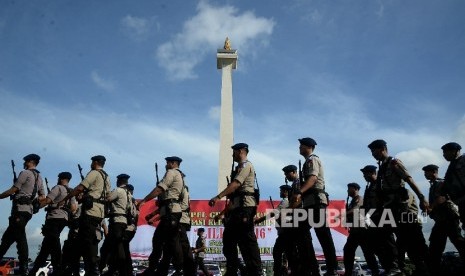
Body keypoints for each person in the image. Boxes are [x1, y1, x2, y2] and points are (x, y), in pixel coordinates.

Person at [368, 139, 429, 275]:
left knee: (410, 239)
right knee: (382, 236)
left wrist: (422, 197)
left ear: (383, 148)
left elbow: (408, 179)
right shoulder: (382, 167)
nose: (373, 154)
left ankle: (422, 267)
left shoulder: (394, 162)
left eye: (374, 150)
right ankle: (395, 266)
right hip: (388, 207)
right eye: (371, 151)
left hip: (401, 206)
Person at [208, 143, 263, 276]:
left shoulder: (246, 165)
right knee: (228, 241)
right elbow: (233, 201)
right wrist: (222, 214)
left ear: (241, 151)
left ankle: (256, 271)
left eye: (234, 152)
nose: (232, 155)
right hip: (237, 209)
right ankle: (233, 270)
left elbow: (236, 184)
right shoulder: (238, 167)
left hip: (245, 208)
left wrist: (218, 196)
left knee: (247, 241)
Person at [59, 155, 111, 276]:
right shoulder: (107, 177)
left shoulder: (93, 173)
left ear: (96, 162)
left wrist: (67, 197)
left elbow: (80, 188)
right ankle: (73, 269)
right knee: (80, 244)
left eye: (92, 162)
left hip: (90, 213)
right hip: (99, 212)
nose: (91, 164)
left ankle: (93, 270)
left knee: (88, 244)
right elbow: (106, 196)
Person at [293, 137, 338, 276]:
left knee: (323, 235)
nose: (299, 147)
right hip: (309, 204)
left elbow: (312, 179)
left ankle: (332, 268)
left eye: (301, 145)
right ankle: (309, 266)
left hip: (316, 203)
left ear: (308, 147)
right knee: (301, 234)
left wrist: (300, 192)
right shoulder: (307, 161)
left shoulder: (313, 160)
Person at [138, 156, 185, 276]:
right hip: (170, 212)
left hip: (171, 212)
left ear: (173, 163)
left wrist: (144, 200)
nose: (166, 165)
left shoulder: (171, 172)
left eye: (168, 162)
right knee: (161, 241)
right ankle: (155, 268)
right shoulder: (180, 175)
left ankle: (179, 268)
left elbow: (160, 189)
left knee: (171, 241)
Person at [0, 153, 45, 276]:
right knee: (7, 239)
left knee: (20, 237)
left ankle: (24, 267)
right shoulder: (39, 177)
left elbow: (13, 190)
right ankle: (23, 266)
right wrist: (34, 201)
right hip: (28, 211)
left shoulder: (25, 173)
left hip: (19, 209)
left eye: (26, 161)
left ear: (30, 161)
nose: (24, 163)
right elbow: (42, 196)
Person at [30, 172, 77, 276]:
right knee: (46, 247)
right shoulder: (71, 191)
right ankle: (34, 271)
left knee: (54, 242)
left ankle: (58, 268)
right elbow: (74, 208)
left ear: (61, 179)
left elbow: (47, 200)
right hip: (64, 219)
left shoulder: (58, 188)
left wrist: (35, 208)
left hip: (54, 217)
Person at [423, 164, 465, 274]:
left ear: (434, 172)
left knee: (457, 240)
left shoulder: (441, 183)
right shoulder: (433, 185)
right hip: (441, 219)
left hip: (449, 217)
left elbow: (442, 198)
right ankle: (435, 269)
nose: (425, 175)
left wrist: (431, 207)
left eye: (427, 172)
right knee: (435, 246)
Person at [284, 164, 319, 276]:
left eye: (288, 173)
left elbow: (298, 201)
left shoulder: (299, 183)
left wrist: (288, 210)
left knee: (306, 244)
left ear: (294, 172)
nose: (286, 175)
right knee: (302, 245)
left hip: (300, 215)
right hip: (296, 216)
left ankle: (313, 270)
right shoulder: (295, 184)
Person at [360, 165, 395, 273]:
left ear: (372, 173)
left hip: (383, 216)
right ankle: (387, 267)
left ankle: (394, 266)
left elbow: (390, 198)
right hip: (372, 219)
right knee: (377, 246)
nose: (364, 176)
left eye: (366, 173)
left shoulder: (381, 183)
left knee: (388, 243)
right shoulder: (369, 187)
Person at [254, 184, 293, 276]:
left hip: (285, 233)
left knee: (277, 252)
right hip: (284, 233)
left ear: (286, 192)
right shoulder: (286, 202)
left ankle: (278, 272)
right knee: (288, 253)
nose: (280, 192)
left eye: (281, 191)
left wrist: (259, 220)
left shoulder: (285, 201)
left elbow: (274, 213)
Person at [342, 182, 379, 276]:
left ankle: (375, 272)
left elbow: (355, 210)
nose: (347, 191)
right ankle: (348, 272)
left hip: (362, 230)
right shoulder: (352, 201)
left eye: (349, 188)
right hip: (355, 230)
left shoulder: (359, 198)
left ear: (355, 189)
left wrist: (343, 214)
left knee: (367, 252)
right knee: (348, 250)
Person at [100, 173, 132, 276]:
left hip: (116, 221)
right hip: (123, 221)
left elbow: (107, 199)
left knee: (114, 247)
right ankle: (114, 270)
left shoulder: (118, 191)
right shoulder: (129, 194)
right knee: (116, 247)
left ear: (119, 181)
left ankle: (119, 270)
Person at [441, 142, 465, 228]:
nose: (444, 155)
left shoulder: (463, 160)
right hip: (460, 201)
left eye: (445, 152)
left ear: (455, 151)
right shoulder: (451, 165)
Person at [123, 184, 139, 276]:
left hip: (127, 227)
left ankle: (127, 270)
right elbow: (137, 215)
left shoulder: (128, 200)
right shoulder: (135, 202)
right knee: (124, 249)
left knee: (123, 248)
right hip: (132, 228)